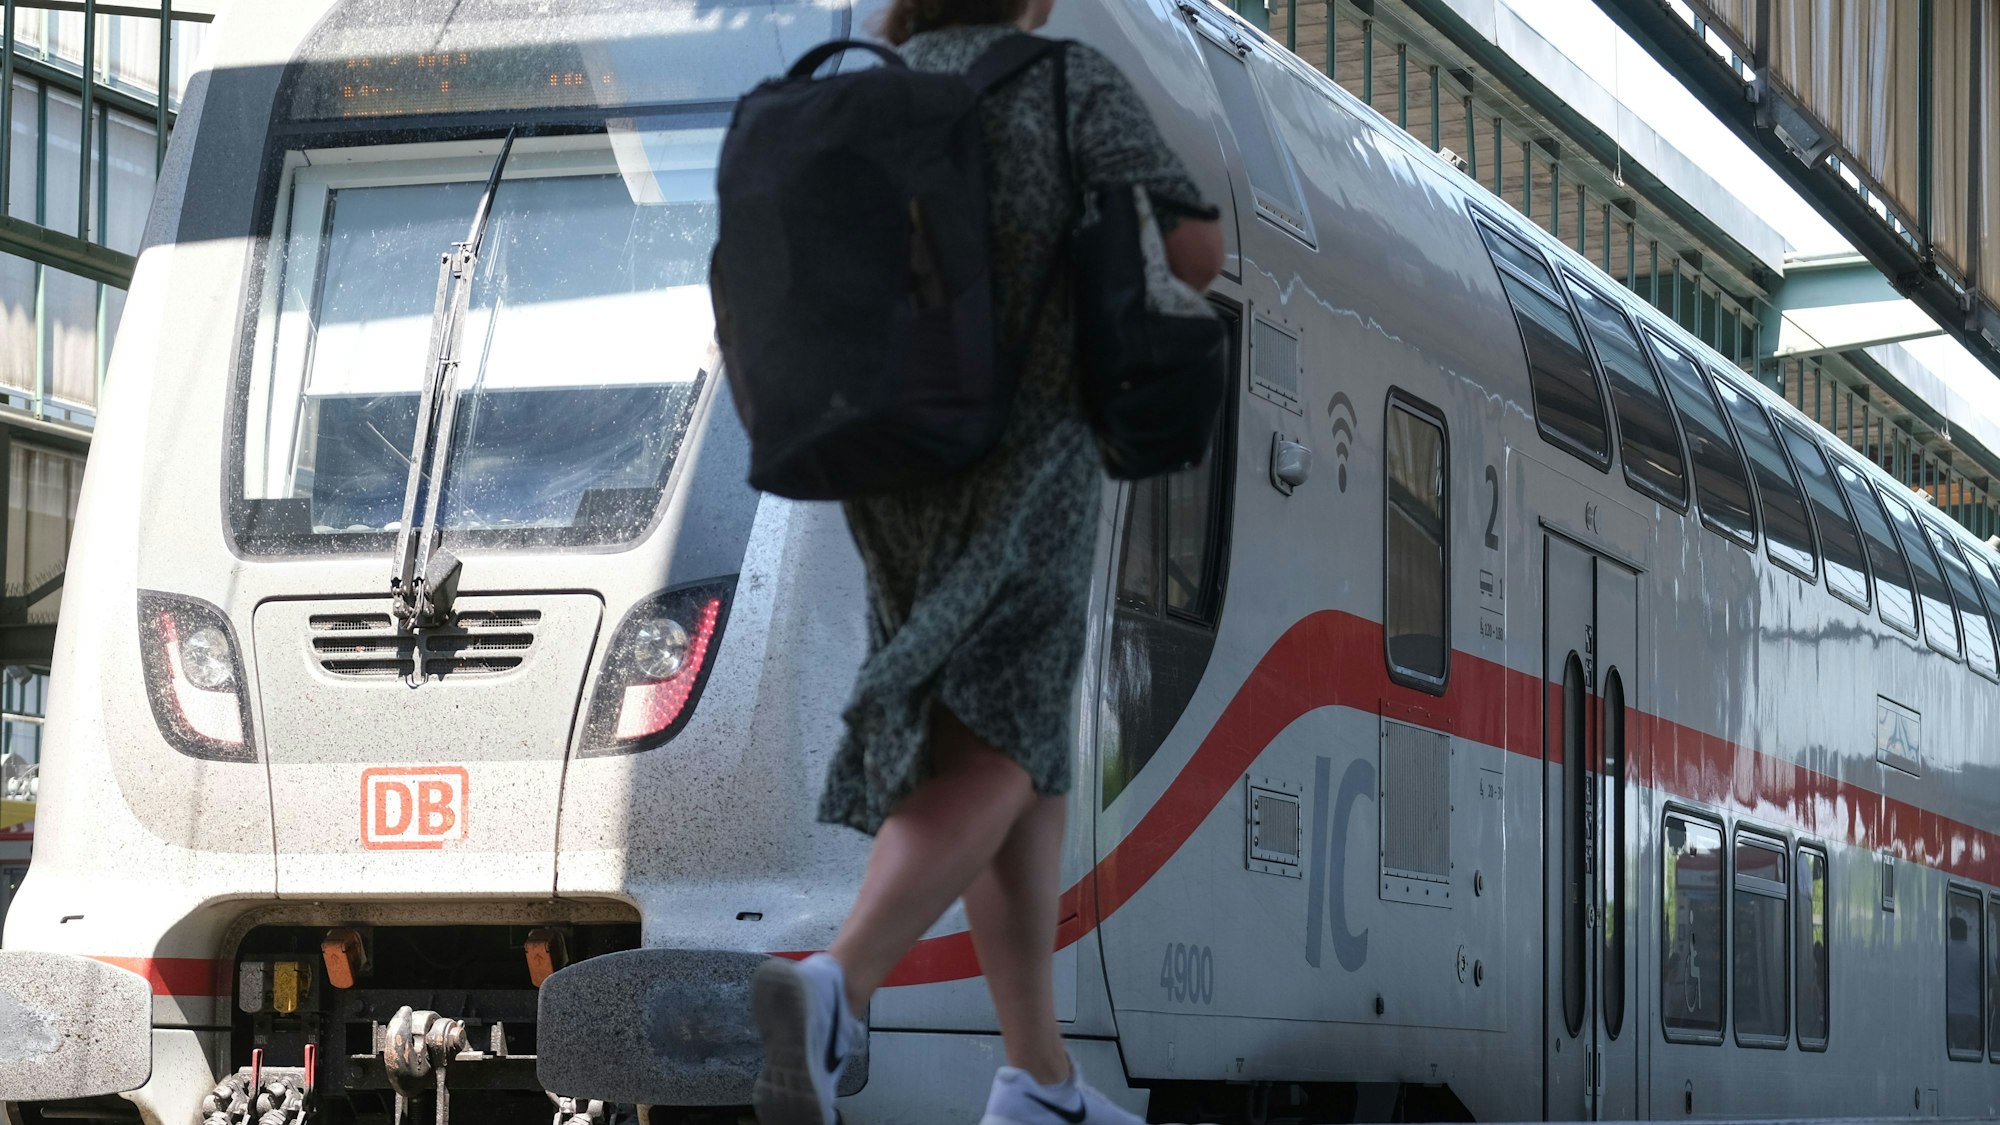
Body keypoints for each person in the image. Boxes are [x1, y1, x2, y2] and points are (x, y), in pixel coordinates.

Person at [748, 0, 1226, 1121]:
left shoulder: (861, 93)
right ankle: (836, 982)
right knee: (1000, 747)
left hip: (888, 471)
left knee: (1024, 747)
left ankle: (1039, 1078)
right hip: (1028, 463)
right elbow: (1196, 257)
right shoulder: (1064, 84)